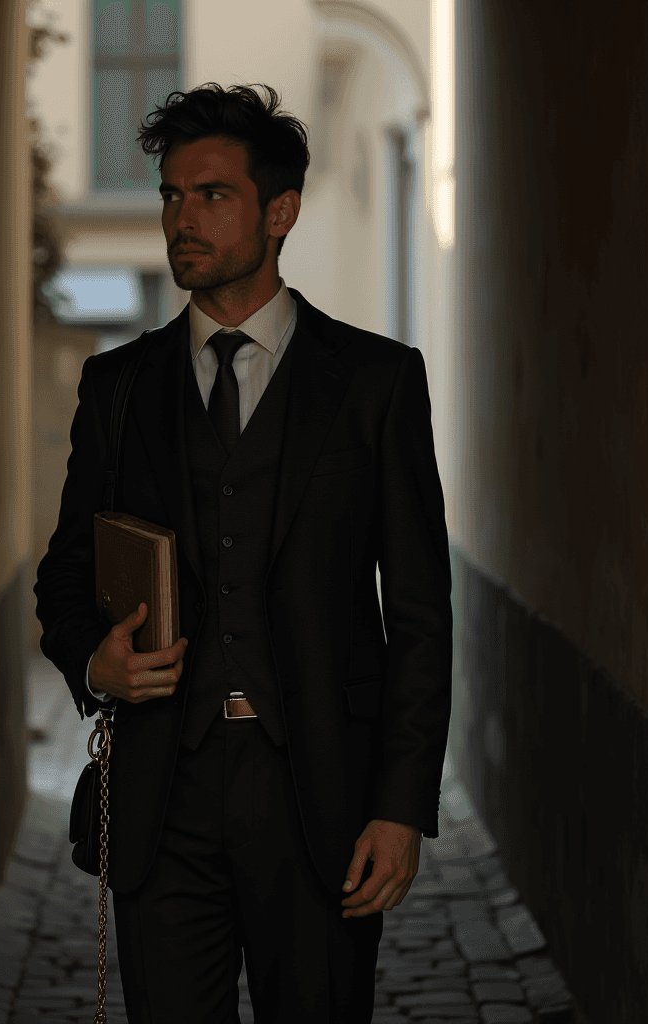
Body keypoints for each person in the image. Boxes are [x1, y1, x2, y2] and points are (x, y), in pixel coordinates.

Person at [34, 83, 452, 1024]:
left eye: (212, 195)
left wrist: (401, 805)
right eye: (171, 197)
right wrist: (93, 659)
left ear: (280, 212)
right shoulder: (119, 388)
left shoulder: (377, 383)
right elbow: (63, 576)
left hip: (323, 798)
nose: (182, 219)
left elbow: (422, 613)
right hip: (162, 796)